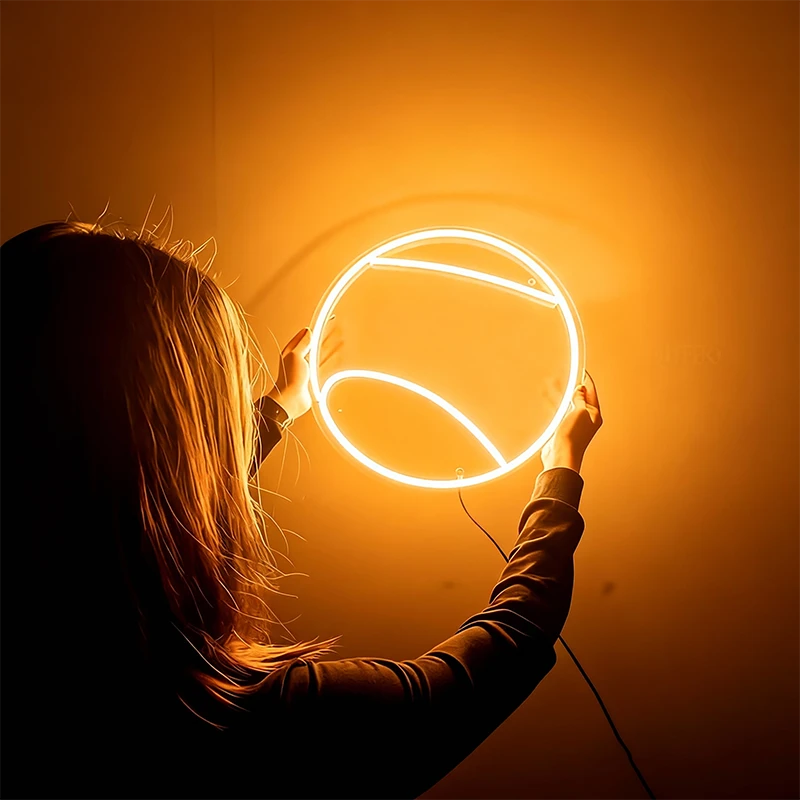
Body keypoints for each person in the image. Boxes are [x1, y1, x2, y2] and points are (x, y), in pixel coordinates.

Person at [5, 216, 602, 797]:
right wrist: (560, 471)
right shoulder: (256, 725)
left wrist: (276, 412)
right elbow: (504, 653)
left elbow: (126, 495)